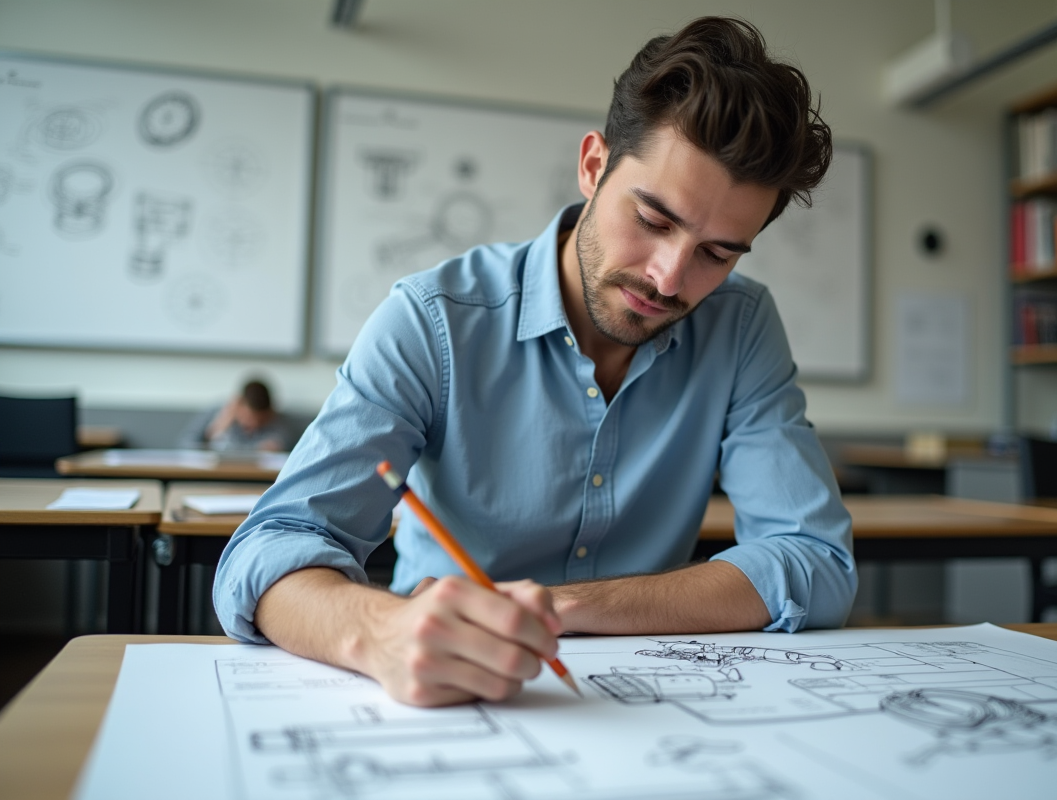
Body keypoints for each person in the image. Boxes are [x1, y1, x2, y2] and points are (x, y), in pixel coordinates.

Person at [216, 16, 856, 708]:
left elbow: (813, 559)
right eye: (653, 221)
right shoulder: (433, 321)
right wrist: (380, 630)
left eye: (717, 253)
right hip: (440, 692)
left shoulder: (741, 325)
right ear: (593, 167)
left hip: (654, 697)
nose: (669, 278)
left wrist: (555, 607)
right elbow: (267, 552)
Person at [178, 379, 295, 452]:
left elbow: (287, 448)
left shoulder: (278, 420)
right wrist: (213, 432)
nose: (253, 424)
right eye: (249, 418)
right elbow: (184, 446)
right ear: (237, 404)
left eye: (260, 420)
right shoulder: (217, 413)